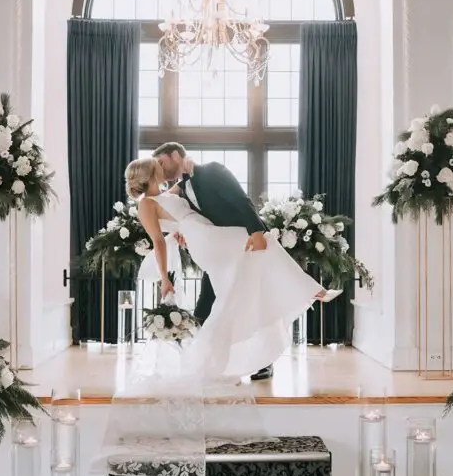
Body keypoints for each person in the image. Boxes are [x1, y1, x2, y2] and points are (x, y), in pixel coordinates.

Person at [127, 152, 336, 380]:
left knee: (236, 288)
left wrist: (190, 169)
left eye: (161, 161)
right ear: (150, 173)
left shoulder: (172, 191)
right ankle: (308, 289)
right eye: (156, 164)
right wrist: (165, 279)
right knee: (263, 245)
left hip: (207, 234)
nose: (160, 165)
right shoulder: (146, 204)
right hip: (204, 239)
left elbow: (190, 185)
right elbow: (158, 241)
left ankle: (221, 357)